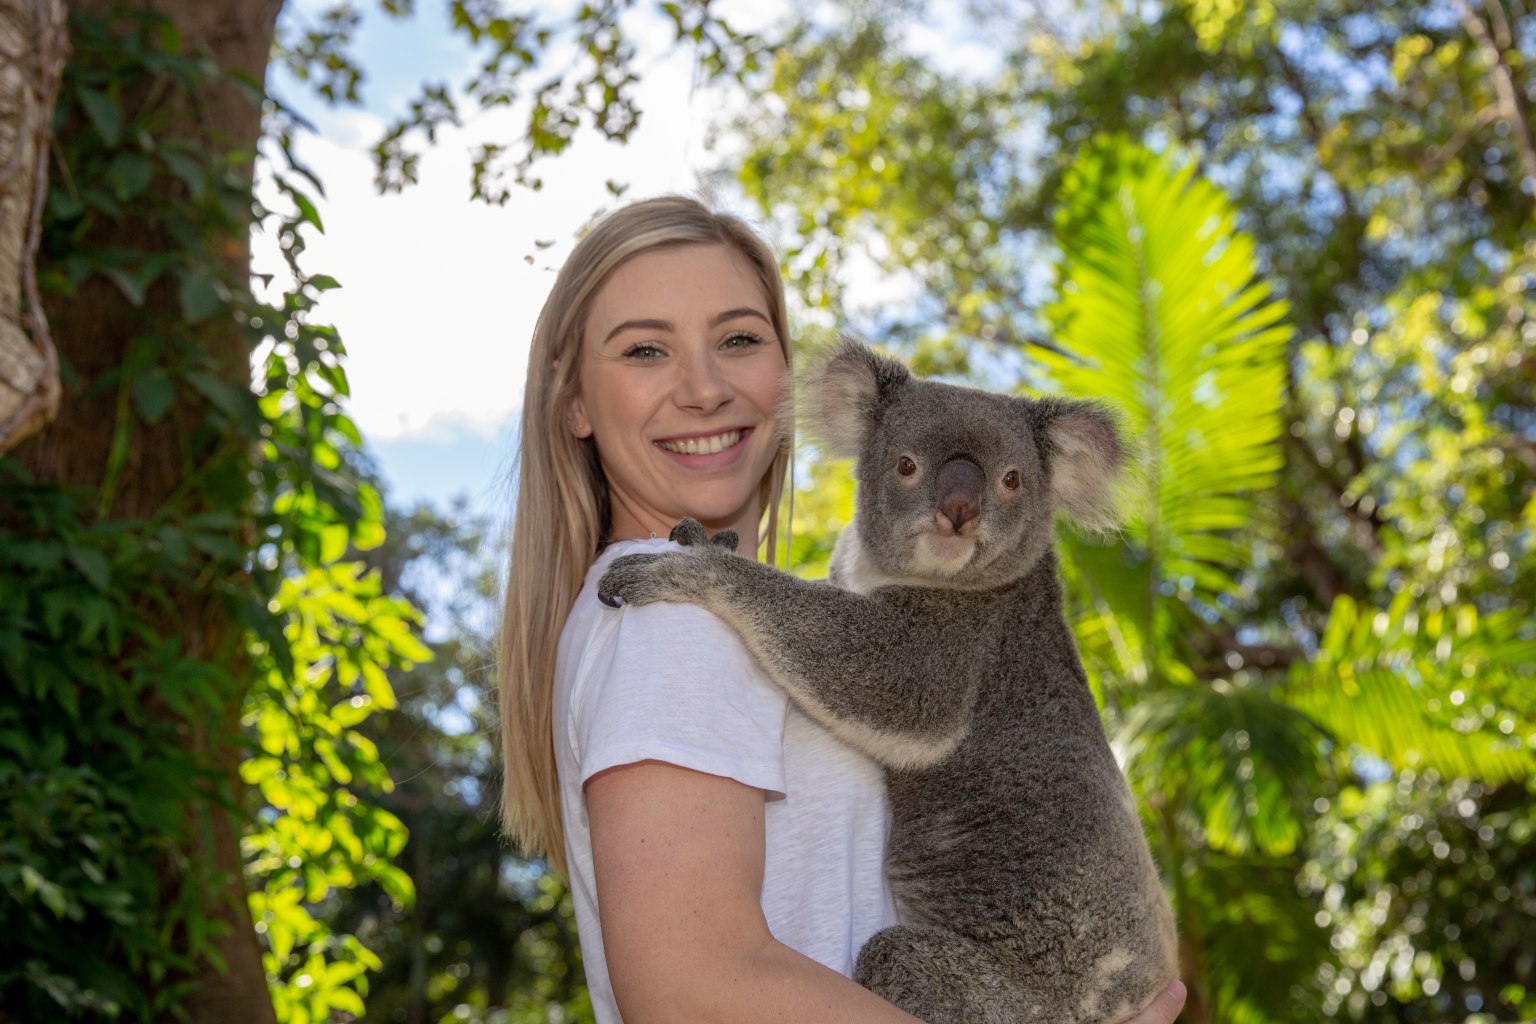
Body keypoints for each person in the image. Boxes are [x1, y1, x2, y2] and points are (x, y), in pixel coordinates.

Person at [497, 194, 1188, 1024]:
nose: (705, 387)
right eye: (646, 349)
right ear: (572, 402)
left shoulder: (780, 603)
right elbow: (690, 989)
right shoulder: (672, 604)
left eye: (740, 340)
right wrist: (724, 584)